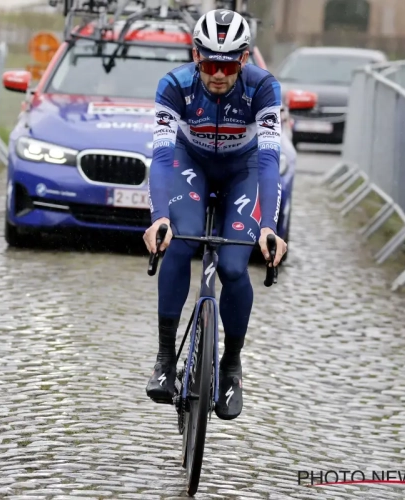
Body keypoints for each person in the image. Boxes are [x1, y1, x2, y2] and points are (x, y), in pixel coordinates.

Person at [143, 9, 287, 420]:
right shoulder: (174, 85)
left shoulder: (263, 87)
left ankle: (231, 365)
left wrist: (269, 228)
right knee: (181, 239)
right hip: (193, 164)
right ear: (195, 55)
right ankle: (165, 358)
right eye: (209, 64)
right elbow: (163, 155)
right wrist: (159, 217)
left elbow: (269, 161)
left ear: (244, 59)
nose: (218, 75)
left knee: (235, 268)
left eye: (227, 65)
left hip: (242, 170)